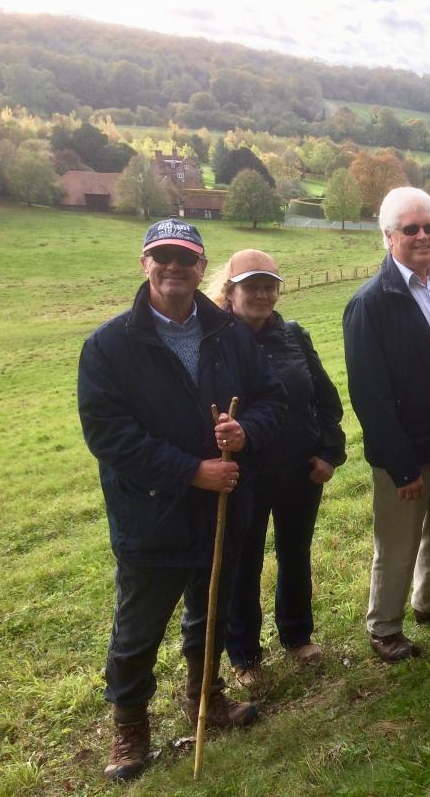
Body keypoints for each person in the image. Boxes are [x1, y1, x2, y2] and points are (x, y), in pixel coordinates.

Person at [77, 219, 286, 781]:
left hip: (222, 509)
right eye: (161, 256)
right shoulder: (109, 345)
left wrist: (247, 435)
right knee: (138, 626)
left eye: (185, 258)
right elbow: (108, 433)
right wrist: (191, 470)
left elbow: (270, 397)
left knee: (210, 610)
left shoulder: (232, 334)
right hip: (152, 512)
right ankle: (130, 725)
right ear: (144, 263)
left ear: (201, 266)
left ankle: (206, 696)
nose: (173, 267)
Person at [343, 186, 430, 663]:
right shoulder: (371, 304)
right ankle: (384, 627)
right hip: (404, 451)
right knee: (398, 542)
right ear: (388, 237)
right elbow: (369, 395)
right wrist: (402, 466)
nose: (423, 236)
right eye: (411, 229)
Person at [205, 249, 347, 689]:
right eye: (252, 286)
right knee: (243, 563)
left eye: (270, 285)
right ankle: (244, 654)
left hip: (299, 470)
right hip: (243, 476)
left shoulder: (294, 336)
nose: (263, 294)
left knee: (294, 551)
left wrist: (328, 452)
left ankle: (297, 635)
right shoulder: (214, 342)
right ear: (231, 291)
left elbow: (325, 399)